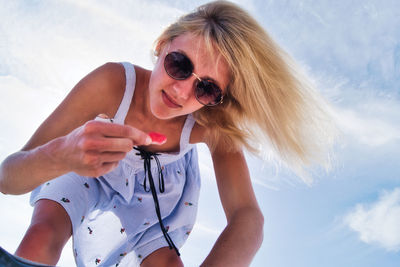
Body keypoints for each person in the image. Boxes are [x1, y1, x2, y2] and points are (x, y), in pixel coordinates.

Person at [0, 1, 336, 266]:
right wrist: (61, 155)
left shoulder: (211, 126)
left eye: (205, 89)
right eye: (180, 65)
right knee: (42, 235)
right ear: (162, 45)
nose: (181, 91)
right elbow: (8, 178)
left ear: (217, 99)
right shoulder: (111, 83)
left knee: (166, 263)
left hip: (154, 193)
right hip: (86, 166)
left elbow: (248, 216)